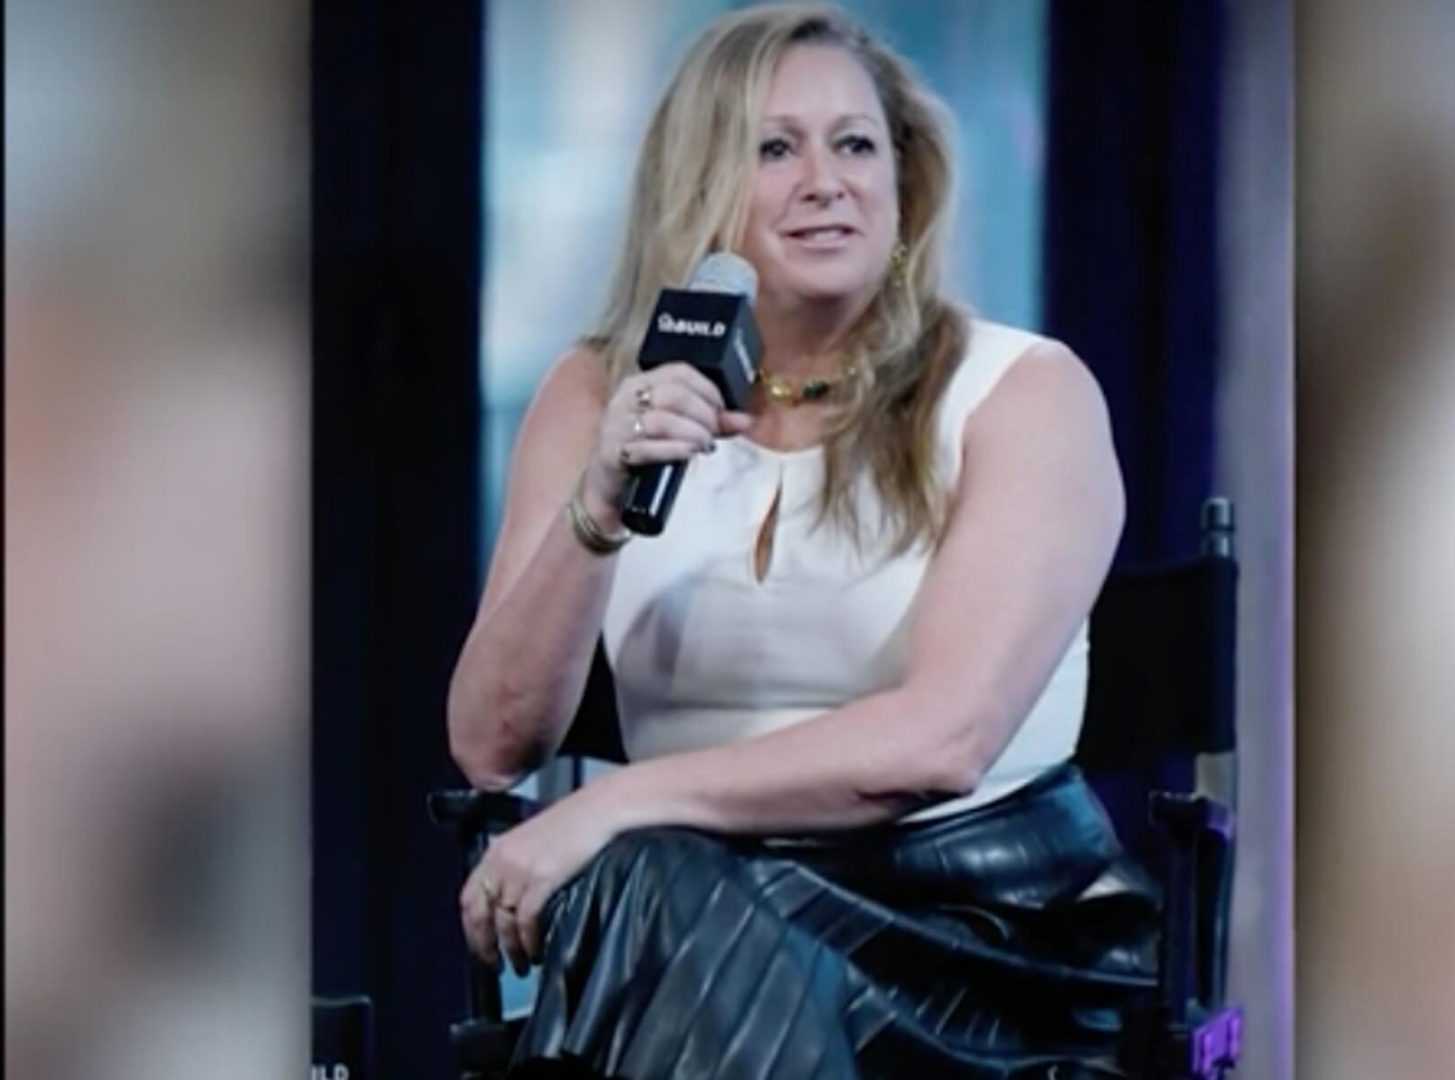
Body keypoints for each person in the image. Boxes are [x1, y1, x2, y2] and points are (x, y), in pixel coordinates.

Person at [447, 5, 1156, 1077]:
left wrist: (615, 805)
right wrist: (598, 506)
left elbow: (942, 742)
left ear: (902, 182)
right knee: (658, 898)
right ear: (697, 183)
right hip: (682, 919)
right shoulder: (599, 393)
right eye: (775, 149)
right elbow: (492, 745)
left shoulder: (1022, 394)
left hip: (970, 935)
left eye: (855, 145)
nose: (826, 182)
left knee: (645, 888)